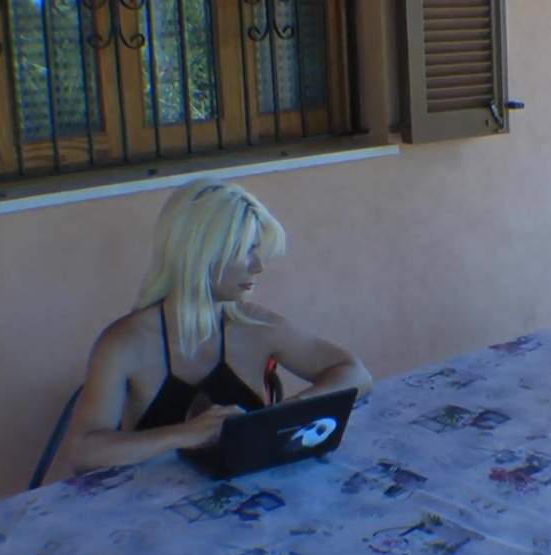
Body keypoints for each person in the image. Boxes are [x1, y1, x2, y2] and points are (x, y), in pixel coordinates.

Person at [59, 178, 373, 476]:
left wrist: (283, 414)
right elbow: (82, 452)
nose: (259, 266)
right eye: (246, 250)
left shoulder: (257, 326)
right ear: (200, 254)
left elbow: (355, 373)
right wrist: (185, 434)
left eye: (257, 249)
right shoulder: (126, 342)